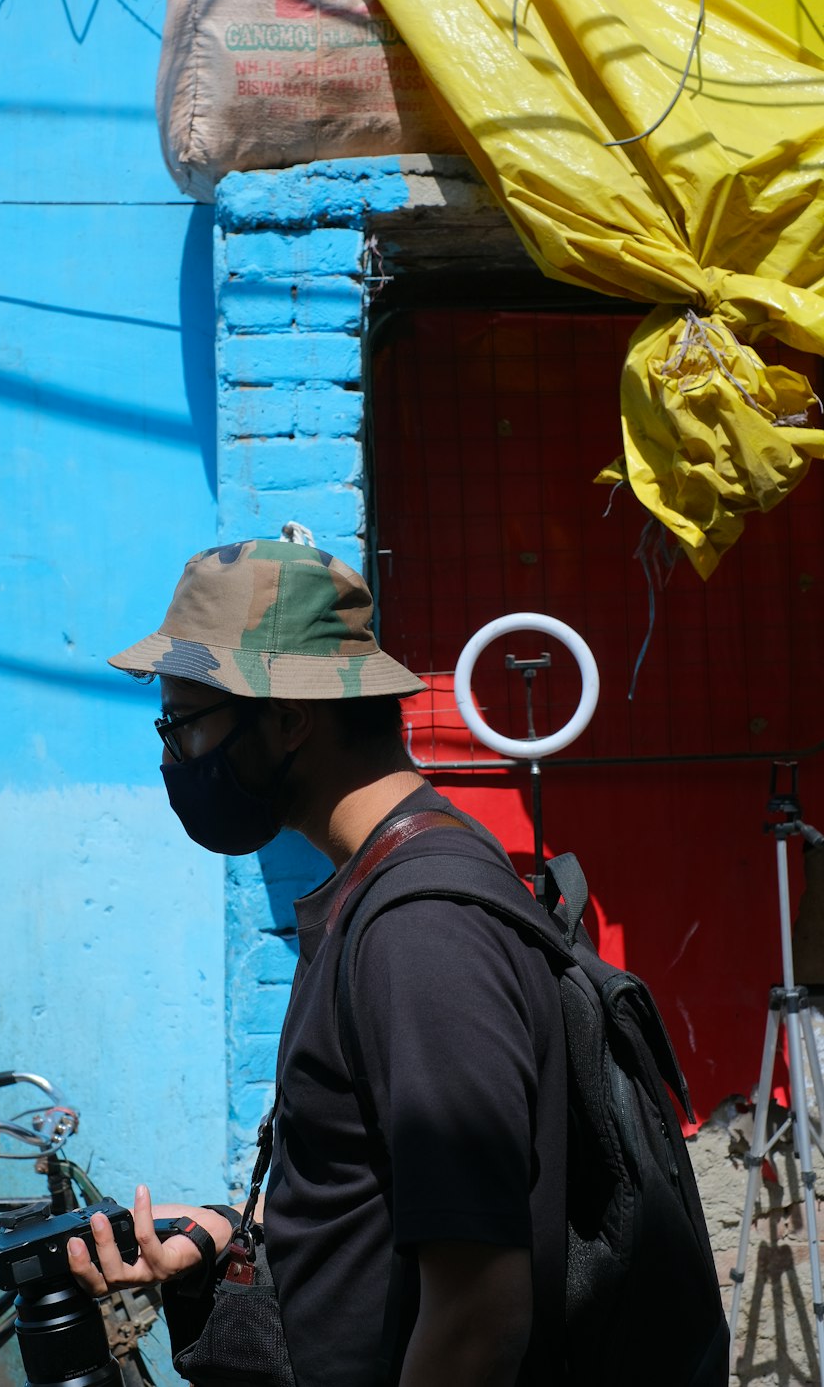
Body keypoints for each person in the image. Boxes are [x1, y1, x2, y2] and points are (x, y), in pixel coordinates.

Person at [67, 538, 568, 1387]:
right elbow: (387, 1192)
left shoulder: (421, 932)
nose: (171, 759)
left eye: (183, 725)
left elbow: (480, 1311)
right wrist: (236, 1230)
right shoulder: (389, 888)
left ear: (290, 718)